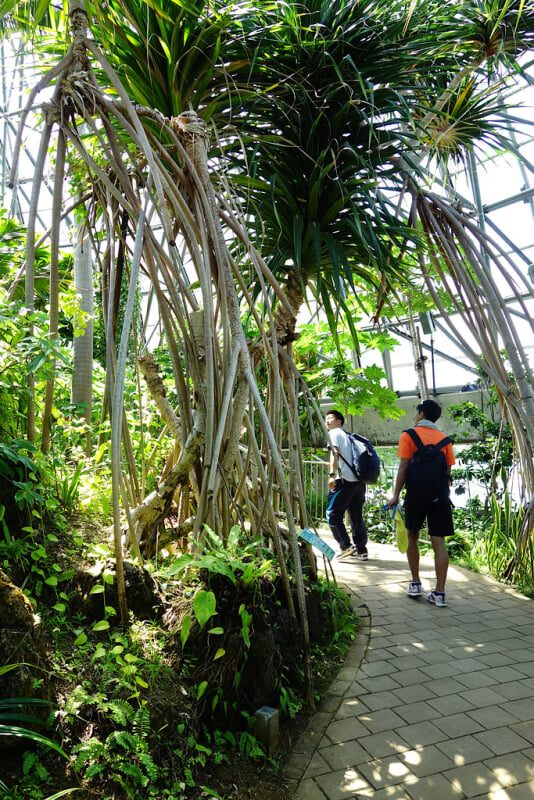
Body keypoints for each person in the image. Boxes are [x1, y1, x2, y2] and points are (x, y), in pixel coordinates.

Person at [388, 399, 455, 607]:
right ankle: (440, 593)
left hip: (416, 495)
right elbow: (447, 472)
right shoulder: (446, 440)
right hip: (439, 497)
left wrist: (396, 494)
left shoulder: (408, 435)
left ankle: (416, 583)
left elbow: (404, 467)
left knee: (412, 536)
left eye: (417, 413)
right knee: (439, 544)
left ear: (422, 414)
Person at [325, 410, 369, 560]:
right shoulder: (349, 436)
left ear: (339, 422)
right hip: (359, 482)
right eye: (326, 419)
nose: (327, 421)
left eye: (330, 418)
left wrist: (331, 475)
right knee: (356, 515)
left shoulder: (334, 433)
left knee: (332, 514)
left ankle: (346, 546)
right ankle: (361, 550)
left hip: (345, 481)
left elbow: (334, 453)